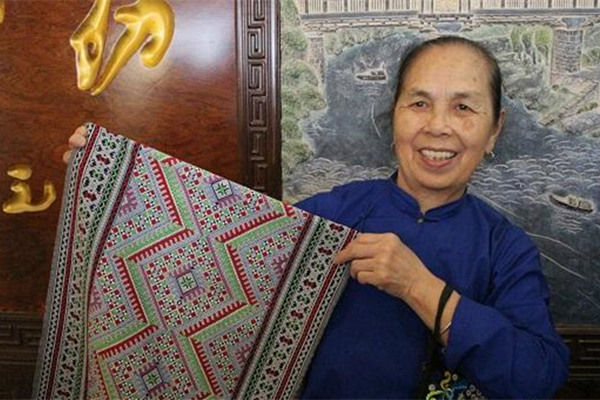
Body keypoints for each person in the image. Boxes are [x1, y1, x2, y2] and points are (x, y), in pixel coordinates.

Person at [65, 36, 569, 399]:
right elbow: (210, 251)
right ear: (393, 117)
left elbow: (536, 378)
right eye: (419, 103)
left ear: (495, 130)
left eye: (464, 107)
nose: (438, 127)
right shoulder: (334, 213)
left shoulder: (507, 248)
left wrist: (419, 286)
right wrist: (119, 183)